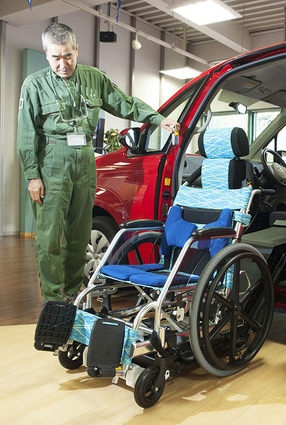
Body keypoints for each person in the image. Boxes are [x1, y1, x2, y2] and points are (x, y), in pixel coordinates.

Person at [17, 23, 179, 303]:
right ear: (46, 55)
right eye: (55, 57)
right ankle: (54, 297)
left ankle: (73, 290)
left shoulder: (94, 78)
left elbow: (124, 103)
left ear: (76, 50)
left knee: (81, 234)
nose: (62, 64)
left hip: (84, 160)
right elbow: (26, 132)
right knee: (50, 236)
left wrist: (158, 118)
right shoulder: (34, 85)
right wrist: (33, 174)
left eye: (67, 55)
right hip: (52, 161)